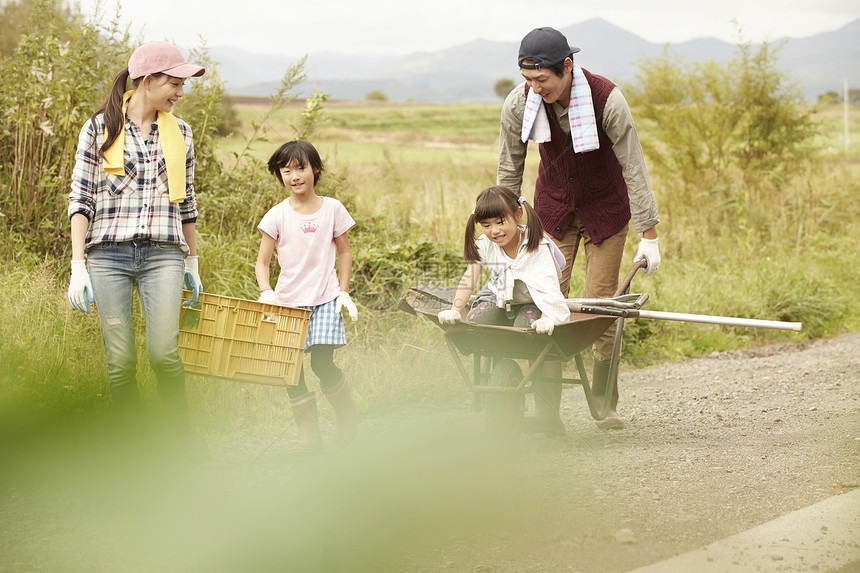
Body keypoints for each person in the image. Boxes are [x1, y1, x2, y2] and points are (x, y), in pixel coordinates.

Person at [497, 27, 662, 430]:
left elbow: (634, 167)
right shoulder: (520, 104)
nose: (535, 88)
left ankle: (604, 404)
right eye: (528, 79)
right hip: (552, 213)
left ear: (567, 67)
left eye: (543, 80)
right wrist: (503, 227)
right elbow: (509, 169)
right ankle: (547, 413)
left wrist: (650, 233)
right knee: (546, 303)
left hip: (605, 211)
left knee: (598, 309)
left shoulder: (608, 100)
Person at [67, 41, 205, 439]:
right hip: (107, 257)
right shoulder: (99, 128)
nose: (180, 93)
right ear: (148, 81)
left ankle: (180, 440)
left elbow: (188, 201)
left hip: (163, 255)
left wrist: (191, 262)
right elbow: (81, 198)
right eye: (175, 84)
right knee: (121, 360)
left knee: (164, 354)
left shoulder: (181, 132)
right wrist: (79, 267)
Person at [438, 186, 571, 433]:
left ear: (518, 214)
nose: (494, 231)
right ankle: (500, 371)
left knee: (527, 332)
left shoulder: (536, 246)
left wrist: (548, 316)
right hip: (499, 295)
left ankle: (525, 390)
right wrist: (456, 308)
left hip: (531, 301)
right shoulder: (486, 244)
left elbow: (549, 286)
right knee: (477, 320)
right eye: (486, 225)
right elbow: (471, 275)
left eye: (500, 222)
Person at [255, 139, 359, 454]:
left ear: (315, 169)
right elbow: (262, 262)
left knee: (322, 363)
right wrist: (266, 292)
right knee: (290, 370)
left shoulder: (333, 209)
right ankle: (309, 437)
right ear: (280, 176)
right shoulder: (276, 215)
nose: (294, 176)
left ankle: (346, 413)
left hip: (326, 298)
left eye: (300, 168)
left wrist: (344, 292)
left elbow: (344, 253)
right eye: (286, 171)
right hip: (288, 303)